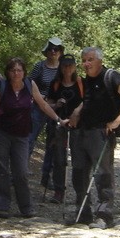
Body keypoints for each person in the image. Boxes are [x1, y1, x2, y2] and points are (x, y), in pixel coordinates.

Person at [0, 57, 67, 218]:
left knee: (21, 171)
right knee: (1, 169)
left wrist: (57, 119)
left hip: (22, 134)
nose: (16, 73)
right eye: (13, 70)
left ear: (24, 72)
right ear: (8, 72)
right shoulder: (2, 86)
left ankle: (25, 207)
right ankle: (1, 205)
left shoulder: (29, 85)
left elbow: (43, 104)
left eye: (19, 70)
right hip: (1, 133)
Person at [67, 46, 120, 229]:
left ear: (100, 60)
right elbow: (90, 100)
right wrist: (77, 111)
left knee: (103, 175)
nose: (86, 63)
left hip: (100, 133)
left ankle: (104, 215)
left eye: (90, 59)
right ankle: (83, 214)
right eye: (84, 60)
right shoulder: (86, 81)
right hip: (81, 132)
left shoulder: (111, 76)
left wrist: (116, 122)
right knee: (79, 174)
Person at [46, 54, 83, 205]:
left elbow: (87, 100)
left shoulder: (81, 82)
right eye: (64, 65)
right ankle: (59, 191)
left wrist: (76, 113)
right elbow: (48, 104)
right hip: (60, 123)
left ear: (74, 67)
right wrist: (57, 105)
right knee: (59, 159)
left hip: (78, 125)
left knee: (78, 159)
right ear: (60, 67)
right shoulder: (55, 84)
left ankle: (80, 192)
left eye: (70, 65)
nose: (67, 68)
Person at [28, 37, 64, 190]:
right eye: (51, 49)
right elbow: (29, 82)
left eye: (56, 49)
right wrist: (39, 97)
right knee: (29, 139)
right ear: (47, 51)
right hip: (38, 107)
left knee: (52, 144)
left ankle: (46, 176)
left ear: (61, 52)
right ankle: (19, 172)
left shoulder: (63, 68)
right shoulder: (39, 67)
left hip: (56, 108)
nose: (53, 52)